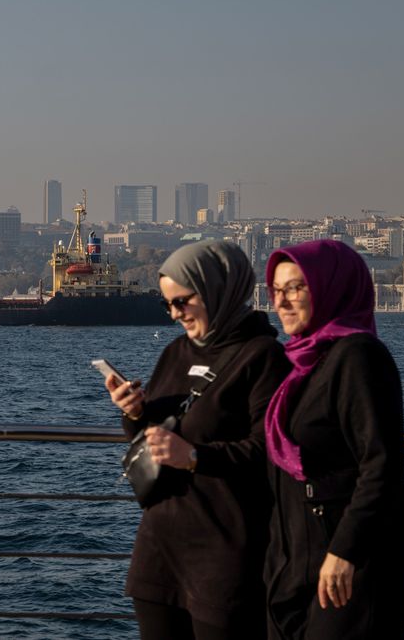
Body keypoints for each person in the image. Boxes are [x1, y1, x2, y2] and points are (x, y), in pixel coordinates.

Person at [107, 241, 289, 640]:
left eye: (183, 302)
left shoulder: (263, 358)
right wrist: (134, 413)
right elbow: (155, 437)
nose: (175, 314)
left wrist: (194, 457)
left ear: (216, 291)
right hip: (159, 554)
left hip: (225, 559)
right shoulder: (176, 352)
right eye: (168, 305)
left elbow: (268, 451)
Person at [263, 240, 404, 638]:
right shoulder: (299, 364)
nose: (283, 302)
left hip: (345, 568)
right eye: (276, 291)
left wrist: (346, 550)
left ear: (331, 287)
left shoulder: (359, 357)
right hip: (295, 563)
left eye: (297, 287)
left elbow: (380, 466)